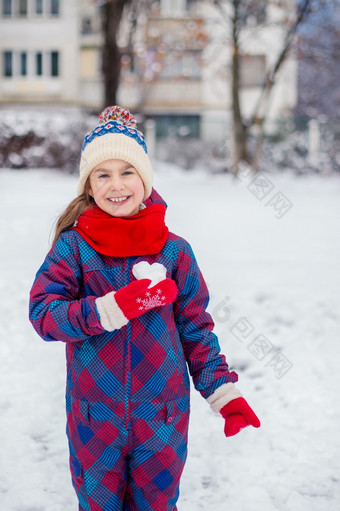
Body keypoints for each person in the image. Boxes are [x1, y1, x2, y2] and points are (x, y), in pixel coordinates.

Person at [29, 106, 260, 511]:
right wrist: (107, 309)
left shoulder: (175, 251)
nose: (116, 185)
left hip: (163, 418)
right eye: (103, 174)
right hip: (94, 417)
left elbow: (196, 330)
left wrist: (223, 392)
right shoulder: (74, 248)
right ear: (88, 186)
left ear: (145, 178)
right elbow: (45, 314)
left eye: (127, 172)